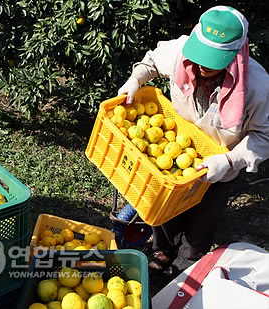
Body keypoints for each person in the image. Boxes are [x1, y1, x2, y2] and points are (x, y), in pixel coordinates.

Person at [117, 5, 269, 274]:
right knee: (163, 205)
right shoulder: (180, 51)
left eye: (213, 60)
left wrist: (230, 160)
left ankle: (187, 263)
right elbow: (150, 62)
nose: (201, 66)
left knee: (203, 218)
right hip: (174, 150)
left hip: (221, 162)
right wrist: (134, 80)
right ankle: (163, 250)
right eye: (200, 56)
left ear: (235, 54)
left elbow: (264, 135)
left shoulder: (257, 85)